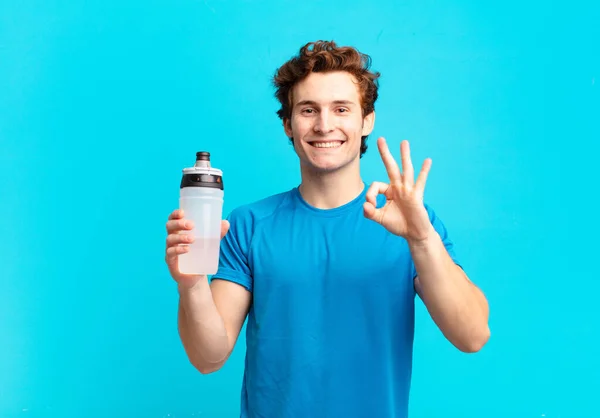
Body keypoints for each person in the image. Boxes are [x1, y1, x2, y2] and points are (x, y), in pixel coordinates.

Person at [165, 40, 490, 418]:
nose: (324, 125)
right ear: (287, 123)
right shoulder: (248, 225)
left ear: (366, 120)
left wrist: (421, 239)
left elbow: (472, 335)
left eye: (341, 108)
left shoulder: (411, 223)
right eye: (308, 110)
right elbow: (208, 357)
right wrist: (190, 284)